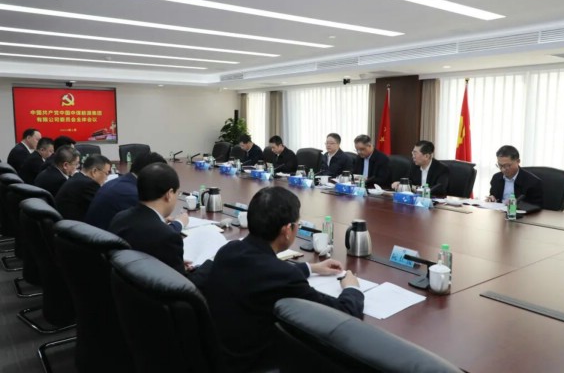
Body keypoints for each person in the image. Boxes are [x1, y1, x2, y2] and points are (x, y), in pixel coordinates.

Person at [203, 187, 364, 372]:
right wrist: (352, 289)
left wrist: (311, 268)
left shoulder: (229, 250)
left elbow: (262, 271)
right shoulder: (284, 277)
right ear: (287, 230)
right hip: (256, 365)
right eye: (297, 225)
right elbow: (342, 315)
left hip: (219, 358)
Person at [108, 163, 207, 287]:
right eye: (178, 193)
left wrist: (175, 262)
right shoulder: (167, 236)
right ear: (169, 194)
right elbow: (180, 286)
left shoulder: (119, 218)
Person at [85, 152, 169, 230]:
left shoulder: (120, 182)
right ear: (151, 174)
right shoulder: (133, 194)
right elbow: (151, 229)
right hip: (106, 239)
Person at [55, 154, 111, 221]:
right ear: (94, 171)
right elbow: (103, 207)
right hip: (72, 224)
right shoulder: (88, 185)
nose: (106, 178)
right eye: (106, 173)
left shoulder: (78, 177)